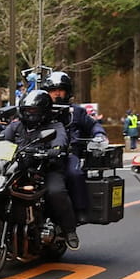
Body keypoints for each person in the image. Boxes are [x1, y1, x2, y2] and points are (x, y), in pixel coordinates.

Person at [2, 90, 79, 249]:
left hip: (47, 168)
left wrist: (55, 150)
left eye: (33, 111)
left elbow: (60, 141)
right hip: (19, 168)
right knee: (1, 188)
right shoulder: (16, 126)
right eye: (26, 110)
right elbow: (0, 139)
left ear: (44, 112)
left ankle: (69, 230)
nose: (29, 114)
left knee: (56, 191)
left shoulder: (55, 126)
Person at [42, 71, 105, 219]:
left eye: (60, 90)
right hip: (42, 154)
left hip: (69, 153)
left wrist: (99, 135)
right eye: (53, 90)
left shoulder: (76, 112)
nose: (56, 94)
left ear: (67, 91)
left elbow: (93, 125)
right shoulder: (41, 111)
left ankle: (80, 210)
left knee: (74, 173)